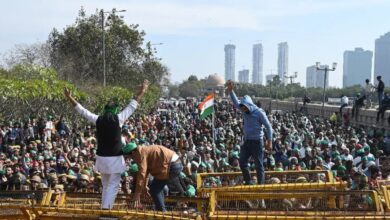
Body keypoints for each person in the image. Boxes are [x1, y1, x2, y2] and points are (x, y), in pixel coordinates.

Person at [63, 79, 149, 209]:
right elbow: (132, 105)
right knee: (113, 185)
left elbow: (81, 110)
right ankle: (106, 210)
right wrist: (142, 91)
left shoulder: (98, 119)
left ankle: (104, 207)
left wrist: (69, 97)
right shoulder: (118, 119)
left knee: (106, 185)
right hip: (114, 159)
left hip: (101, 159)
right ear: (115, 111)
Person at [226, 80, 272, 185]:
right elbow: (236, 102)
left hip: (257, 142)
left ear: (250, 105)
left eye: (244, 107)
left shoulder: (259, 113)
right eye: (242, 107)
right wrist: (230, 91)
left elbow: (268, 127)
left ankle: (260, 185)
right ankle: (248, 181)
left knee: (259, 165)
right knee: (242, 162)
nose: (243, 110)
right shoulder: (243, 108)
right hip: (247, 142)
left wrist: (269, 141)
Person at [122, 143, 183, 212]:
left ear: (133, 152)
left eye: (131, 157)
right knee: (156, 189)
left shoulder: (141, 154)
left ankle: (163, 213)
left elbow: (142, 174)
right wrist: (144, 186)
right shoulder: (143, 151)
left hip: (172, 165)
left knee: (155, 189)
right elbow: (146, 171)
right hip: (174, 164)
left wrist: (137, 194)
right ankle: (162, 210)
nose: (133, 159)